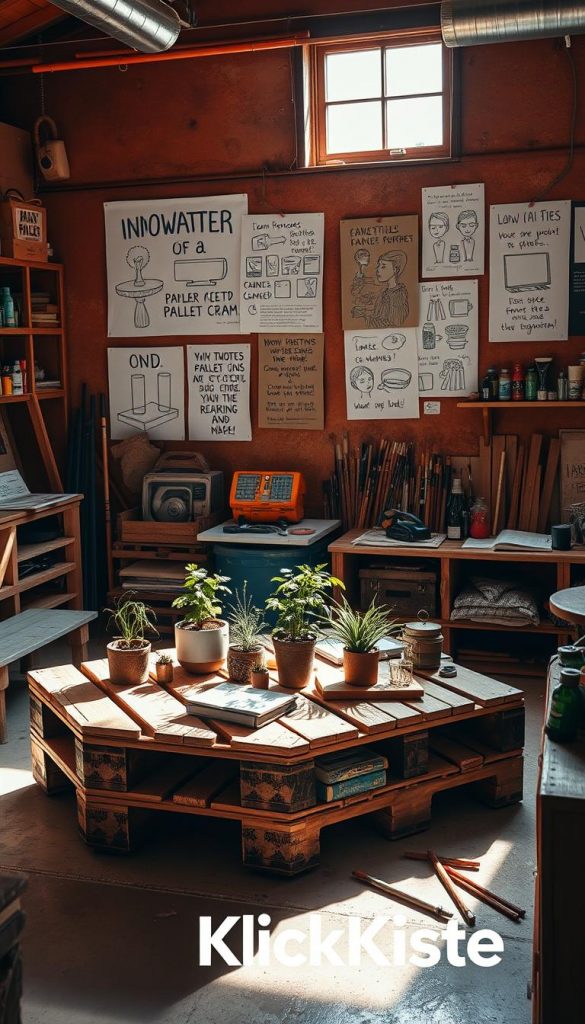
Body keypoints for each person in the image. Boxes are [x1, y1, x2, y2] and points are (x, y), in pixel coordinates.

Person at [351, 250, 409, 329]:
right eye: (378, 265)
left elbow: (392, 324)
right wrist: (364, 311)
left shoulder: (398, 295)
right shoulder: (385, 291)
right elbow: (380, 314)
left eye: (383, 266)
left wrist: (364, 315)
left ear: (395, 270)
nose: (378, 269)